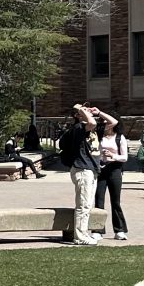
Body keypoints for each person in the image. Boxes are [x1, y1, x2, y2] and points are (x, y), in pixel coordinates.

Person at [58, 105, 102, 245]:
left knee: (88, 205)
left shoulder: (90, 129)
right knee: (83, 205)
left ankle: (83, 233)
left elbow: (114, 123)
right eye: (85, 110)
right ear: (78, 115)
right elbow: (92, 122)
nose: (88, 110)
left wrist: (99, 112)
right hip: (82, 170)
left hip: (91, 169)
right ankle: (80, 236)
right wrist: (81, 109)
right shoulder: (78, 128)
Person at [95, 112, 130, 240]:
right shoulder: (98, 136)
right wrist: (101, 156)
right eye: (102, 121)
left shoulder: (120, 138)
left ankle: (119, 230)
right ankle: (97, 230)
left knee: (115, 201)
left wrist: (113, 156)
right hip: (101, 169)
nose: (105, 124)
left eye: (107, 121)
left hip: (114, 169)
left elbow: (124, 157)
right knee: (99, 199)